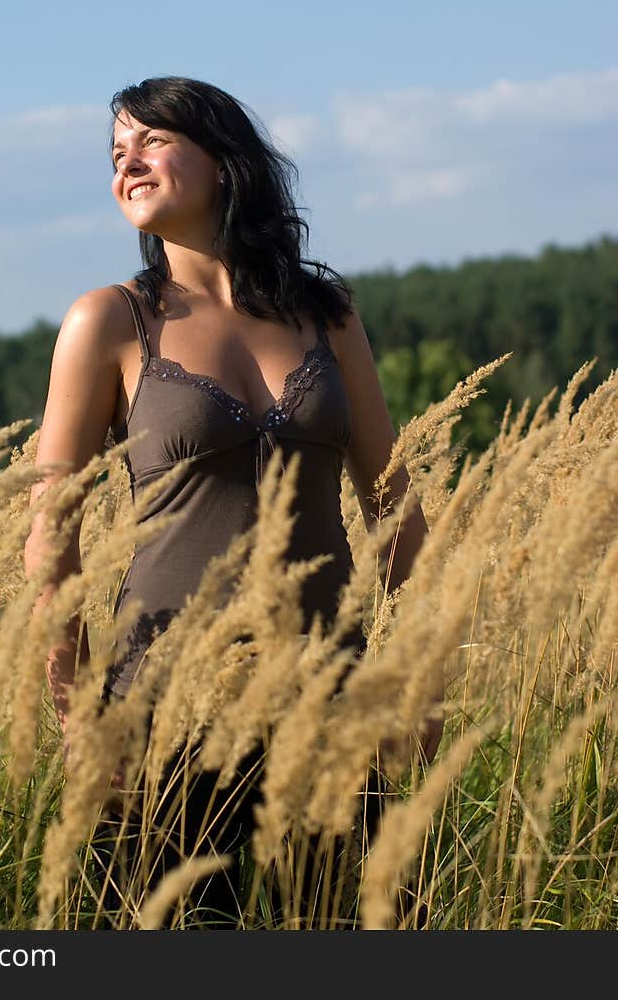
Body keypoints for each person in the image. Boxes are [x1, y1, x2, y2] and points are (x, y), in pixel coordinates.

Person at [24, 76, 443, 928]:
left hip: (330, 691)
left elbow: (391, 501)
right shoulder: (108, 321)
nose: (127, 162)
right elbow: (50, 536)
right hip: (166, 708)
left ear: (222, 161)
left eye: (150, 141)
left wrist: (419, 686)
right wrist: (76, 719)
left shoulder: (326, 314)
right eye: (115, 153)